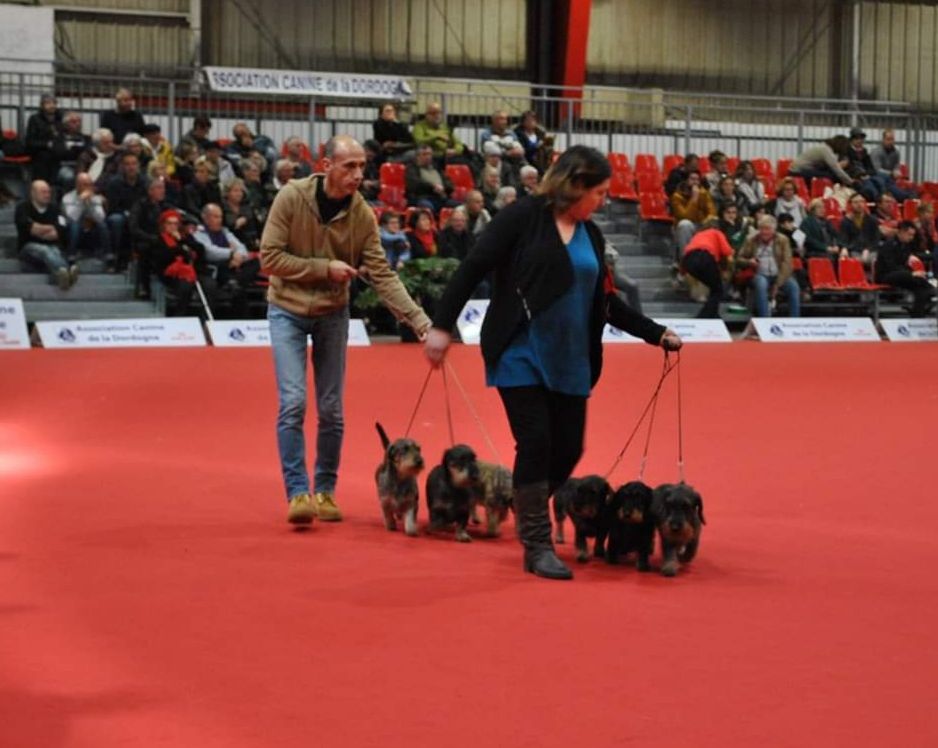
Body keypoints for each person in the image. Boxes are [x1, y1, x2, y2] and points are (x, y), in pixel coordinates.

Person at [423, 145, 682, 580]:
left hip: (572, 359)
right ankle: (537, 544)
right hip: (519, 350)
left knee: (569, 448)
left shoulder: (592, 236)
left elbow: (605, 302)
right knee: (537, 441)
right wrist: (442, 325)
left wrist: (655, 332)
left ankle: (526, 501)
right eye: (598, 192)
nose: (603, 200)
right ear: (574, 184)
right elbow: (471, 268)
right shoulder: (522, 219)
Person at [260, 135, 432, 525]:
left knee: (332, 410)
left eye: (362, 167)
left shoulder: (363, 216)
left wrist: (420, 322)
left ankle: (325, 490)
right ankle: (298, 492)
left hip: (332, 313)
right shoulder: (290, 196)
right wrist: (326, 268)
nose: (358, 174)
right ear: (325, 166)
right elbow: (270, 258)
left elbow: (383, 275)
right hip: (285, 309)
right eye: (349, 166)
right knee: (292, 403)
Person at [151, 209, 214, 318]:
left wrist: (181, 241)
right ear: (163, 225)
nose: (172, 226)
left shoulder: (185, 237)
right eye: (169, 223)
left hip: (193, 269)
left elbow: (200, 249)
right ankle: (180, 315)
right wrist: (180, 248)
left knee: (210, 284)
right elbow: (163, 258)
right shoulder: (158, 240)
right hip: (171, 273)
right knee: (185, 286)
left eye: (175, 224)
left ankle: (205, 317)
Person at [15, 180, 76, 290]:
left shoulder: (55, 209)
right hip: (27, 247)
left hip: (53, 246)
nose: (47, 195)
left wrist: (39, 228)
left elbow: (60, 231)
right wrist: (50, 227)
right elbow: (29, 229)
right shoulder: (22, 208)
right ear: (33, 193)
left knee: (55, 251)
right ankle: (67, 272)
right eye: (43, 192)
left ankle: (60, 276)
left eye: (48, 192)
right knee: (44, 250)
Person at [737, 215, 800, 318]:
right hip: (759, 274)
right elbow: (739, 259)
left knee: (794, 287)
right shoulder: (751, 239)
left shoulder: (783, 240)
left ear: (774, 230)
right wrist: (749, 262)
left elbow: (787, 263)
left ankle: (794, 320)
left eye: (768, 229)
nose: (764, 232)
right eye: (761, 229)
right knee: (761, 284)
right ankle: (764, 320)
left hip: (779, 274)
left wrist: (778, 284)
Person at [875, 221, 933, 317]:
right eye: (909, 234)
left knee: (920, 287)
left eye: (912, 235)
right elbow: (890, 266)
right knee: (912, 276)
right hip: (885, 275)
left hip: (901, 275)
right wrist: (911, 274)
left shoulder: (906, 246)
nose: (911, 238)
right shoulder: (888, 245)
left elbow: (905, 264)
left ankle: (918, 314)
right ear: (901, 232)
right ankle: (930, 289)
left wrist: (912, 273)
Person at [680, 226, 734, 318]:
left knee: (713, 287)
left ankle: (714, 315)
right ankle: (702, 317)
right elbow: (728, 254)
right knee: (717, 290)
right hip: (704, 256)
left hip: (687, 260)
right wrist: (730, 270)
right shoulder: (717, 232)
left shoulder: (699, 235)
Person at [62, 172, 110, 263]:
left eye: (90, 185)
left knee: (102, 225)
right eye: (85, 185)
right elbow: (72, 218)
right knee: (74, 225)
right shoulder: (67, 198)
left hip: (92, 230)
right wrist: (81, 201)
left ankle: (108, 255)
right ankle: (71, 255)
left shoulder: (95, 197)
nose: (88, 187)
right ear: (77, 185)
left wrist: (91, 204)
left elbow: (100, 218)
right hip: (74, 231)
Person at [671, 171, 716, 258]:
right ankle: (685, 260)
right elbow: (685, 216)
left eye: (697, 180)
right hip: (685, 226)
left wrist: (706, 223)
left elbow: (712, 212)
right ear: (686, 181)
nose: (695, 182)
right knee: (685, 224)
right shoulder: (677, 196)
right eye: (692, 179)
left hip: (702, 224)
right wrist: (694, 199)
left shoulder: (704, 193)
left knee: (714, 223)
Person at [404, 144, 457, 213]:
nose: (428, 157)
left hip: (441, 198)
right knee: (427, 207)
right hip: (423, 198)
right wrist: (433, 187)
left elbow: (450, 184)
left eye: (429, 154)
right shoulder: (412, 168)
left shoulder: (437, 168)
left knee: (460, 207)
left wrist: (443, 188)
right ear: (418, 156)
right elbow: (415, 185)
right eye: (424, 154)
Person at [24, 93, 62, 183]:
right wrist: (47, 144)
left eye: (54, 103)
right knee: (43, 158)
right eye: (48, 103)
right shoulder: (35, 119)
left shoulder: (60, 118)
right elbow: (30, 142)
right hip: (40, 153)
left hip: (58, 153)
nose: (52, 106)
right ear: (42, 105)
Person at [870, 128, 916, 201]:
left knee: (911, 187)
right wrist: (891, 173)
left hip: (892, 179)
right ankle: (907, 197)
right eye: (888, 139)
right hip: (879, 179)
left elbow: (896, 166)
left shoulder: (896, 152)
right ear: (883, 139)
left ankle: (910, 196)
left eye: (892, 139)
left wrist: (896, 172)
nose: (890, 141)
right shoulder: (876, 152)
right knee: (894, 189)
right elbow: (877, 170)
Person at [839, 192, 880, 266]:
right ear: (851, 204)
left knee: (875, 260)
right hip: (854, 250)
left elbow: (876, 239)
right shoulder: (846, 221)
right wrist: (844, 248)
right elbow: (844, 238)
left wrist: (868, 249)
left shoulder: (872, 220)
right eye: (856, 202)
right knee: (855, 260)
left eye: (861, 201)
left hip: (871, 250)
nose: (859, 204)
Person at [801, 198, 844, 263]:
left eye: (823, 207)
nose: (822, 210)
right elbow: (808, 240)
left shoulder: (826, 222)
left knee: (844, 256)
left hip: (830, 250)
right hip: (815, 251)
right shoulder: (806, 222)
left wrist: (837, 246)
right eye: (819, 207)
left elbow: (836, 235)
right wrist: (825, 248)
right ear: (812, 210)